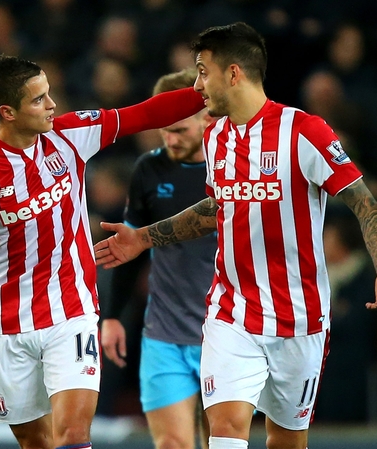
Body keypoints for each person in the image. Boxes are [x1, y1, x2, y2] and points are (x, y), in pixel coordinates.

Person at [94, 22, 377, 449]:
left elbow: (363, 202)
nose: (198, 84)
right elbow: (218, 207)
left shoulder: (303, 131)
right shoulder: (217, 136)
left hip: (301, 317)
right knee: (225, 429)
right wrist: (144, 237)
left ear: (233, 73)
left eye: (204, 71)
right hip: (232, 311)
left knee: (287, 441)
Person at [0, 54, 204, 449]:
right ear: (8, 112)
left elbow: (146, 113)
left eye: (49, 94)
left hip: (71, 311)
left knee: (73, 433)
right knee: (36, 442)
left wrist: (213, 93)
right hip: (5, 326)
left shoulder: (70, 134)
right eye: (38, 100)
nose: (52, 105)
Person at [100, 68, 215, 449]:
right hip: (164, 334)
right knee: (172, 446)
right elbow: (129, 247)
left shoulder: (234, 169)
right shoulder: (148, 169)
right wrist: (112, 315)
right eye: (163, 129)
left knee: (225, 444)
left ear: (206, 118)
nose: (169, 139)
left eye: (179, 130)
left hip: (228, 335)